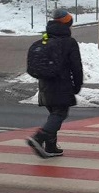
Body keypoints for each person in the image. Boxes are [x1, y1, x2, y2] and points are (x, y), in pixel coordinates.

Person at [27, 9, 83, 158]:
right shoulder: (69, 42)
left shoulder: (46, 39)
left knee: (54, 114)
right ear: (67, 24)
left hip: (44, 85)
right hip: (61, 85)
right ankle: (39, 137)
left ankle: (51, 146)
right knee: (60, 113)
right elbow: (76, 67)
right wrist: (77, 85)